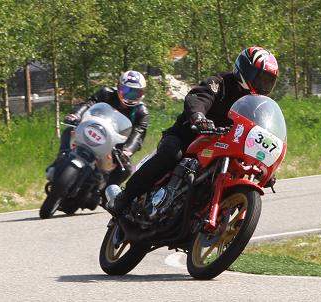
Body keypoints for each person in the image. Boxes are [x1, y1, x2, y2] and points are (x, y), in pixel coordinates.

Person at [113, 46, 279, 215]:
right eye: (261, 78)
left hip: (224, 146)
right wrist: (199, 117)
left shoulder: (257, 104)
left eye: (268, 81)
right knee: (171, 154)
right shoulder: (220, 82)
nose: (263, 85)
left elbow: (260, 129)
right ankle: (125, 197)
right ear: (245, 69)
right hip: (188, 137)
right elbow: (199, 97)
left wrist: (264, 164)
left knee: (237, 174)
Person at [48, 70, 149, 186]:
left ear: (142, 94)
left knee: (125, 169)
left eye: (136, 93)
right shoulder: (106, 93)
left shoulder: (141, 112)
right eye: (126, 91)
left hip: (115, 146)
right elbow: (89, 104)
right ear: (118, 87)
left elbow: (138, 133)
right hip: (92, 130)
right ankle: (59, 160)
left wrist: (128, 150)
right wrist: (76, 115)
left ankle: (105, 192)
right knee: (69, 131)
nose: (130, 95)